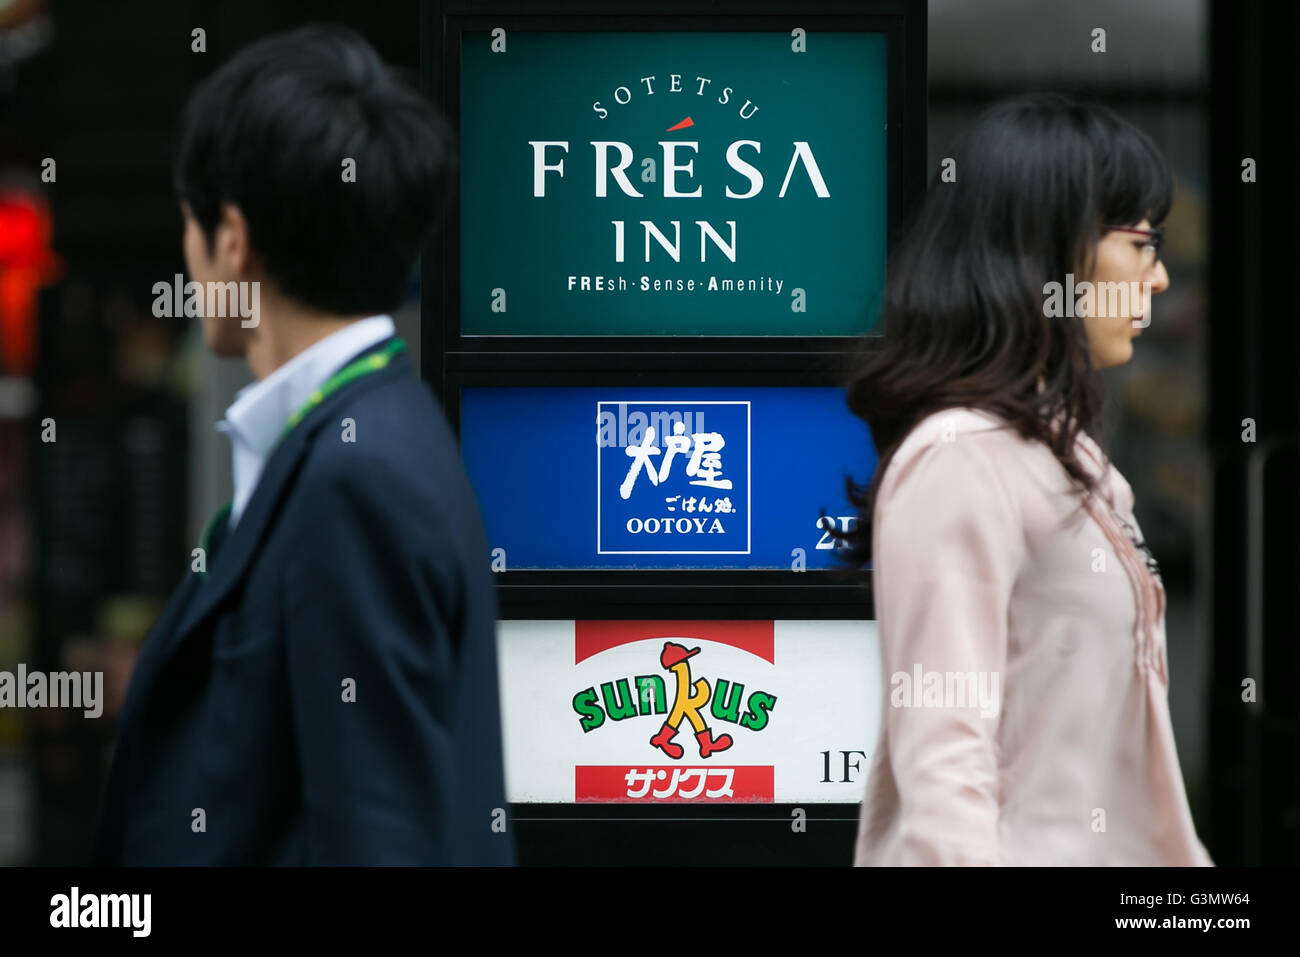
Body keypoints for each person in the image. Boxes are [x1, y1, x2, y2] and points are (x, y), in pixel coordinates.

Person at [92, 24, 513, 865]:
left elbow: (377, 836)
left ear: (234, 238)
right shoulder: (370, 436)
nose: (187, 253)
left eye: (189, 222)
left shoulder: (356, 474)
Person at [835, 93, 1213, 866]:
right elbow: (945, 764)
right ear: (1055, 249)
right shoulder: (962, 457)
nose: (1162, 277)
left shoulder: (1064, 461)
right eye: (1144, 242)